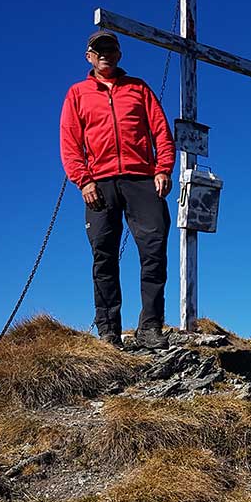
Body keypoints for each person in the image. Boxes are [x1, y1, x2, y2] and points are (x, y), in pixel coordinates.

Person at [59, 30, 175, 349]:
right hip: (99, 183)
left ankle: (150, 326)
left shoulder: (139, 89)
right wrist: (84, 180)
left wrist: (163, 169)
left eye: (110, 49)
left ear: (119, 54)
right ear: (89, 56)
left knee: (154, 250)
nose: (105, 54)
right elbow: (70, 143)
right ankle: (109, 333)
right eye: (99, 50)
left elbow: (161, 132)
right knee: (104, 256)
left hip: (142, 180)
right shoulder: (77, 94)